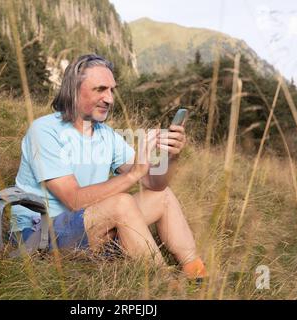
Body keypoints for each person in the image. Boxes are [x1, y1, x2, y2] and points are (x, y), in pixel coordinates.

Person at [11, 54, 206, 279]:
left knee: (162, 196)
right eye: (100, 89)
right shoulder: (44, 131)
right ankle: (165, 284)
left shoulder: (107, 135)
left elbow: (155, 182)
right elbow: (73, 200)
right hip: (38, 235)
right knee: (121, 204)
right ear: (73, 89)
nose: (109, 99)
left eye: (112, 90)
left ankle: (196, 272)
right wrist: (133, 174)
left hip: (88, 225)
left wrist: (173, 157)